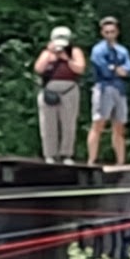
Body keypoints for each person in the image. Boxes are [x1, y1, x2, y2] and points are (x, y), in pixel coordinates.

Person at [33, 27, 85, 162]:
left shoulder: (74, 52)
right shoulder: (47, 53)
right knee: (48, 124)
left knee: (69, 124)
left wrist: (66, 59)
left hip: (69, 90)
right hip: (49, 91)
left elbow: (80, 69)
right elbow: (38, 68)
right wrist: (50, 55)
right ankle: (50, 154)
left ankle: (66, 154)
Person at [86, 16, 130, 166]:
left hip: (120, 90)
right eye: (106, 32)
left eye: (112, 31)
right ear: (102, 33)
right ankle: (91, 160)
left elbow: (129, 67)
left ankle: (120, 162)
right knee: (98, 124)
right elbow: (103, 69)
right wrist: (116, 69)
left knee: (119, 127)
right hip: (103, 88)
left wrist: (121, 70)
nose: (109, 35)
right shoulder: (97, 50)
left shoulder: (122, 50)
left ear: (117, 32)